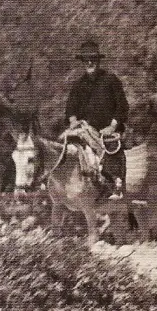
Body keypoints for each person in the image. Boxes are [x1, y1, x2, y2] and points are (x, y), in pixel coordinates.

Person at [65, 39, 129, 198]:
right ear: (82, 62)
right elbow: (70, 109)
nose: (89, 63)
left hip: (109, 129)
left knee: (110, 144)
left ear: (98, 61)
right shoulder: (78, 85)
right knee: (66, 142)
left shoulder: (110, 80)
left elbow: (123, 106)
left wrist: (113, 126)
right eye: (86, 60)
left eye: (93, 59)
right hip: (87, 129)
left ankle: (116, 185)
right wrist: (73, 121)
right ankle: (68, 185)